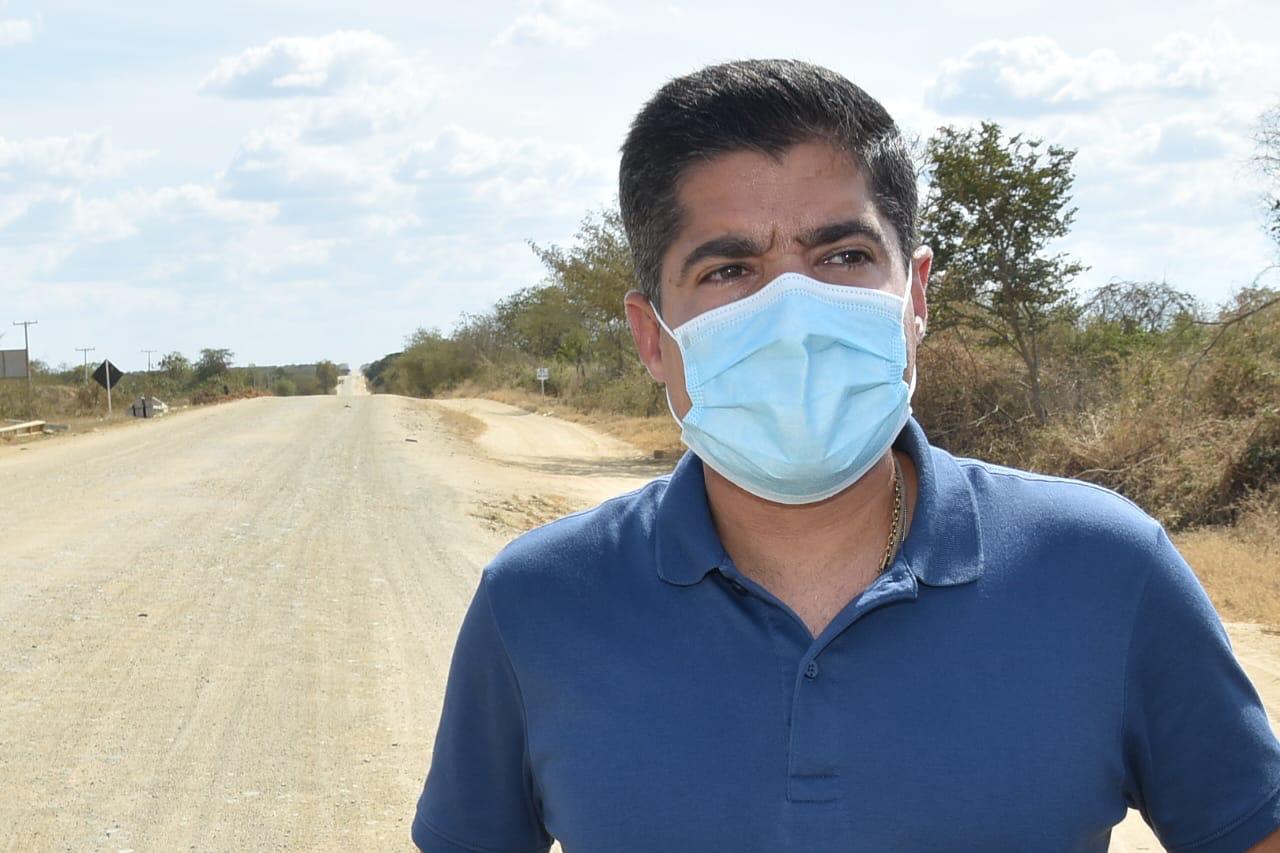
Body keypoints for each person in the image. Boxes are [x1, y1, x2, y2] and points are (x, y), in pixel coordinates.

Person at [412, 59, 1280, 852]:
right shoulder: (536, 603)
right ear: (651, 336)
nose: (794, 314)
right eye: (729, 271)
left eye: (844, 255)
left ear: (917, 296)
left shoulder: (1105, 570)